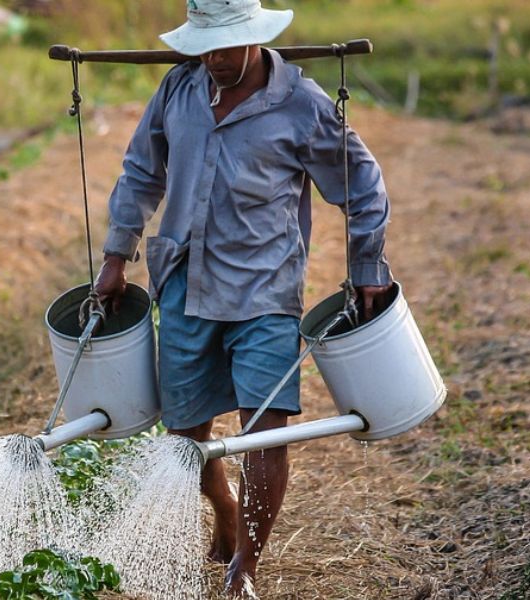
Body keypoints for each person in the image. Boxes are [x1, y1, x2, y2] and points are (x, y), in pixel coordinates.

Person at [92, 1, 393, 597]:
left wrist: (367, 267)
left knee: (266, 429)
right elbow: (139, 172)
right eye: (205, 46)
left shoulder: (301, 106)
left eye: (226, 46)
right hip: (183, 282)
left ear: (255, 39)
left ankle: (243, 569)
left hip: (265, 288)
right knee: (186, 434)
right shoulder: (178, 89)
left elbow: (363, 186)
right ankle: (224, 508)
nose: (215, 58)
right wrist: (114, 256)